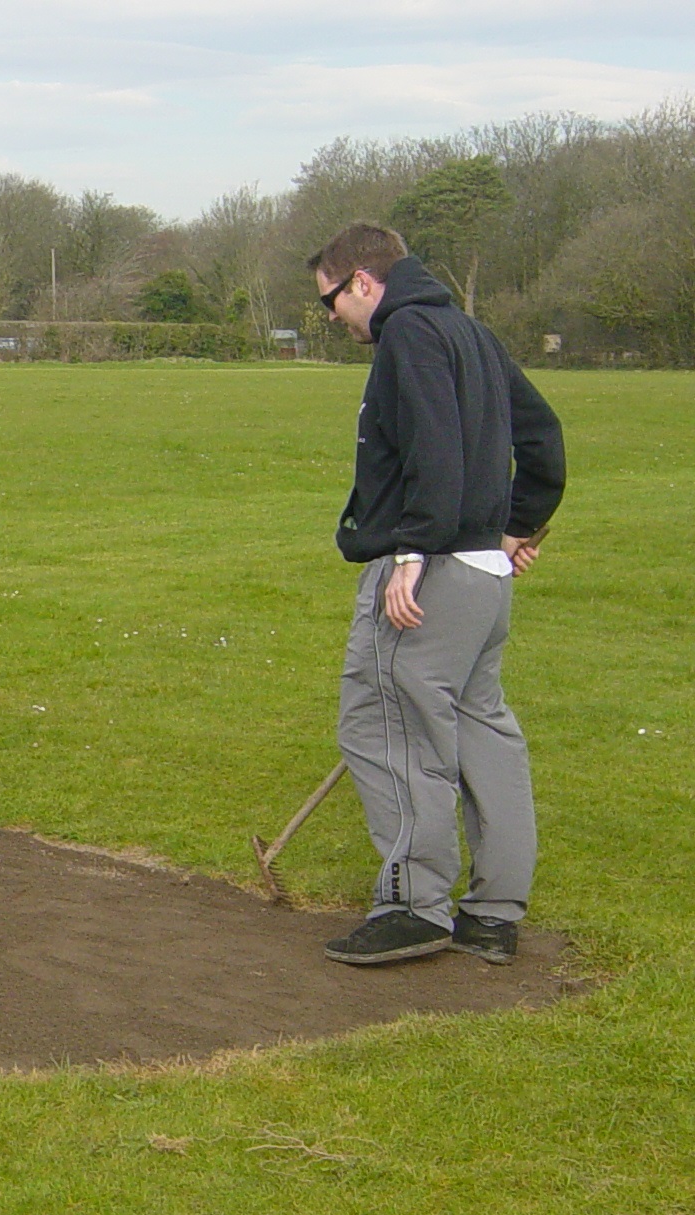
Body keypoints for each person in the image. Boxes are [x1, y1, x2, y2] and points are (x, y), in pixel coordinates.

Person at [310, 222, 565, 966]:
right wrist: (516, 526)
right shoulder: (471, 334)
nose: (331, 317)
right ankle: (492, 913)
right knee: (482, 727)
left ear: (361, 281)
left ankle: (412, 904)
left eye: (330, 299)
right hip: (484, 572)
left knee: (383, 727)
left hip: (436, 571)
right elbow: (542, 438)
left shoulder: (410, 335)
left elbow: (433, 446)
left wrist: (413, 552)